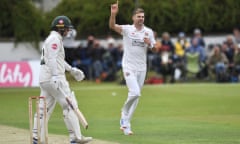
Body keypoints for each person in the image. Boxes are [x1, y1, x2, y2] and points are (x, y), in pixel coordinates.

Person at [33, 15, 92, 144]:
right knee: (70, 105)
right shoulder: (55, 39)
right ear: (60, 28)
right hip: (55, 78)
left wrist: (72, 69)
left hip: (44, 79)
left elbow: (58, 59)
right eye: (66, 29)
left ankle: (36, 137)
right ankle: (75, 138)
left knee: (44, 108)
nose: (68, 31)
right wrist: (55, 76)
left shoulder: (51, 39)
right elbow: (53, 59)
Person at [109, 1, 157, 135]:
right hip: (128, 66)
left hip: (142, 68)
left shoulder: (148, 32)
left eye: (142, 17)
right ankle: (124, 113)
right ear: (133, 18)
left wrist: (149, 44)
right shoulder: (127, 29)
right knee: (135, 92)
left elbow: (155, 49)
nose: (141, 18)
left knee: (137, 97)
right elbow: (112, 26)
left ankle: (126, 125)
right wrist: (113, 14)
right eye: (138, 16)